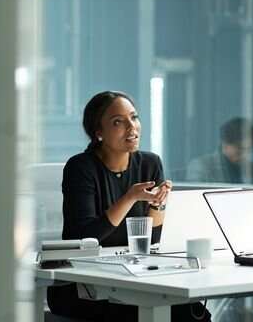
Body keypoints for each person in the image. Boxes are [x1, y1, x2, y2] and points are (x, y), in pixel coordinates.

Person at [47, 91, 211, 322]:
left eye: (133, 117)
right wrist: (129, 198)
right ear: (98, 132)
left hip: (135, 275)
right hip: (83, 284)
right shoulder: (80, 167)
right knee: (154, 311)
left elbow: (153, 238)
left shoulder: (150, 163)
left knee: (192, 313)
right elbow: (87, 237)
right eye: (118, 122)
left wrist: (159, 204)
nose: (131, 127)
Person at [187, 117, 253, 184]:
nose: (245, 154)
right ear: (225, 143)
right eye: (240, 148)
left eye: (250, 149)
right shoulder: (201, 166)